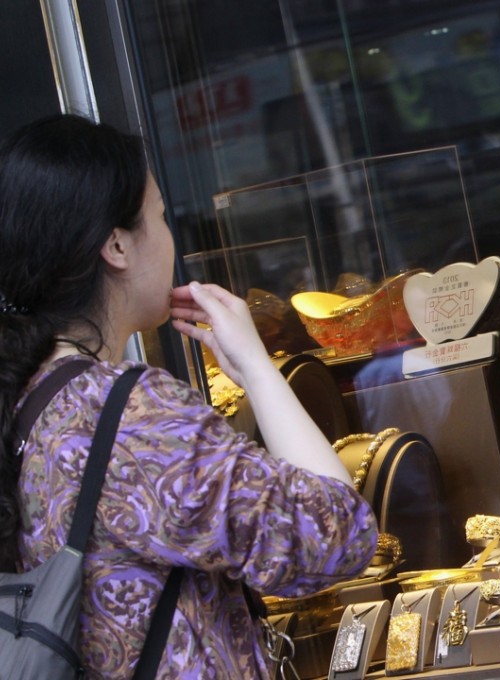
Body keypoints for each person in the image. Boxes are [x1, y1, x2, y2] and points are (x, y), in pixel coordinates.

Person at [0, 114, 377, 677]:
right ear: (117, 245)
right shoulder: (131, 416)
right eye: (157, 216)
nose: (169, 236)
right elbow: (335, 535)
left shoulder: (30, 399)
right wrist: (256, 366)